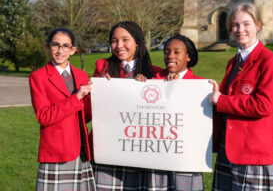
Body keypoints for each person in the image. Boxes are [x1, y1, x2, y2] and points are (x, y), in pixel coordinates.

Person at [209, 3, 273, 191]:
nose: (240, 30)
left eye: (246, 24)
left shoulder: (270, 61)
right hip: (229, 148)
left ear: (258, 25)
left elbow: (264, 105)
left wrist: (221, 100)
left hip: (251, 152)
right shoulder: (233, 62)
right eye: (235, 25)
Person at [91, 21, 167, 191]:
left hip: (139, 151)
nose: (119, 46)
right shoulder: (102, 67)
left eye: (125, 40)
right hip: (108, 146)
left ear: (137, 42)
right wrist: (98, 89)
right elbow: (92, 109)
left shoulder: (155, 72)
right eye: (114, 41)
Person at [29, 27, 96, 190]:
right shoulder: (38, 77)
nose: (60, 51)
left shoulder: (81, 75)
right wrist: (77, 97)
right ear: (47, 47)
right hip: (57, 150)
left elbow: (85, 116)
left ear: (73, 50)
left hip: (81, 149)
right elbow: (44, 117)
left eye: (66, 46)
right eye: (55, 45)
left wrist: (96, 97)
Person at [136, 34, 205, 191]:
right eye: (167, 51)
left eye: (176, 52)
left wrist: (178, 88)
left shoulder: (200, 85)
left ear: (188, 56)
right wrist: (138, 87)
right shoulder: (152, 80)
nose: (170, 56)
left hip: (186, 157)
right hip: (157, 157)